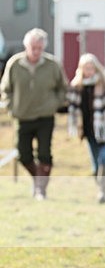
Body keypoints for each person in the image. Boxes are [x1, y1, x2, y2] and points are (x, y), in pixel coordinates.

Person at [0, 27, 68, 200]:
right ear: (26, 46)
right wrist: (11, 107)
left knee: (45, 153)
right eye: (33, 47)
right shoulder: (15, 64)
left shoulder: (52, 64)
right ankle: (38, 179)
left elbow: (63, 88)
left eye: (39, 48)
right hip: (22, 116)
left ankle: (40, 189)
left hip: (45, 116)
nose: (36, 51)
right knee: (23, 154)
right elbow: (5, 89)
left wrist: (55, 103)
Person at [67, 53, 105, 203]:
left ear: (96, 68)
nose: (89, 70)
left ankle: (102, 192)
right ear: (81, 69)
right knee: (95, 167)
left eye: (91, 67)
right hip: (89, 132)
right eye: (86, 68)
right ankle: (100, 188)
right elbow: (72, 107)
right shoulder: (77, 87)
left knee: (103, 159)